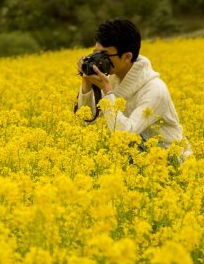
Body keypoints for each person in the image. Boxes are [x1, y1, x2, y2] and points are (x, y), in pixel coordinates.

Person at [75, 18, 192, 162]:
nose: (98, 60)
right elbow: (87, 120)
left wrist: (107, 91)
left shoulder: (155, 90)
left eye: (104, 55)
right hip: (142, 159)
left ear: (127, 57)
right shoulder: (114, 77)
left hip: (171, 162)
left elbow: (124, 134)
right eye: (95, 53)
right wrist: (86, 83)